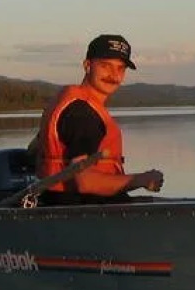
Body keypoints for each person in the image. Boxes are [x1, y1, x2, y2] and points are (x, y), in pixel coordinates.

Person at [29, 33, 164, 205]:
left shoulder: (72, 102)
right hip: (82, 210)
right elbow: (86, 182)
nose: (113, 75)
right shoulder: (83, 114)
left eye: (120, 68)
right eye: (105, 66)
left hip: (67, 204)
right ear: (87, 65)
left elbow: (34, 149)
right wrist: (143, 180)